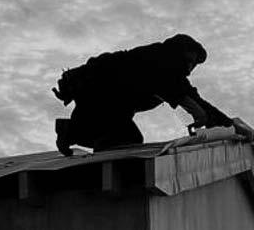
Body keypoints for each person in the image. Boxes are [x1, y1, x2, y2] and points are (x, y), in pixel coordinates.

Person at [53, 34, 233, 156]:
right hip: (100, 92)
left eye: (193, 65)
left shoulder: (164, 64)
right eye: (188, 61)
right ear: (178, 52)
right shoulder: (163, 62)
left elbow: (192, 98)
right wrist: (228, 125)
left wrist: (224, 123)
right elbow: (190, 99)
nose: (189, 68)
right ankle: (78, 138)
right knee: (126, 139)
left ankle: (70, 131)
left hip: (104, 97)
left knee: (117, 134)